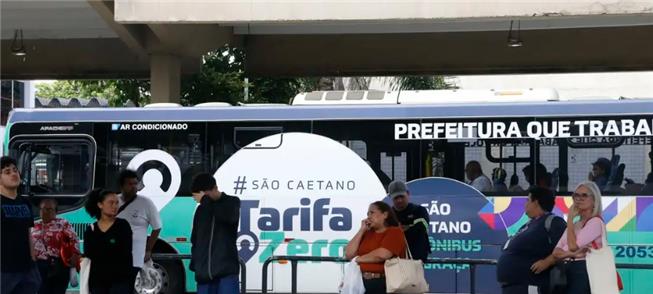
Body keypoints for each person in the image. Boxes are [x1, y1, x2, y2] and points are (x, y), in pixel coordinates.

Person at [497, 187, 566, 294]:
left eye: (528, 200)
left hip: (529, 285)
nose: (525, 204)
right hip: (513, 286)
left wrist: (547, 261)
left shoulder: (554, 222)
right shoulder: (529, 224)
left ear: (536, 202)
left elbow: (565, 246)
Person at [190, 173, 241, 294]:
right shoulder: (201, 210)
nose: (197, 200)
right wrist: (195, 263)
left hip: (226, 272)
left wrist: (206, 201)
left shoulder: (232, 202)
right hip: (204, 273)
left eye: (201, 195)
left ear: (214, 188)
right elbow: (195, 238)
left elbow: (229, 218)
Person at [553, 181, 605, 294]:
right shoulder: (575, 225)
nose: (579, 199)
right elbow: (555, 252)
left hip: (583, 271)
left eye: (584, 195)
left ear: (594, 200)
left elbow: (572, 246)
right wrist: (571, 254)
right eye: (576, 195)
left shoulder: (595, 222)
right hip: (566, 270)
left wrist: (570, 219)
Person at [345, 201, 407, 294]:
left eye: (372, 212)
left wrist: (358, 259)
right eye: (367, 214)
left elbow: (382, 254)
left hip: (384, 283)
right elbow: (349, 254)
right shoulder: (367, 233)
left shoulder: (395, 232)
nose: (368, 216)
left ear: (385, 215)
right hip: (361, 283)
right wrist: (361, 231)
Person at [116, 170, 162, 292]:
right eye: (130, 184)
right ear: (122, 186)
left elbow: (157, 227)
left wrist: (148, 249)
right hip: (115, 259)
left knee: (132, 288)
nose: (134, 187)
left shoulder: (146, 203)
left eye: (135, 184)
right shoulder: (113, 202)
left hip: (137, 258)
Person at [1, 156, 41, 294]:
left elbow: (28, 233)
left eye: (14, 170)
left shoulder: (25, 203)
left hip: (27, 269)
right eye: (7, 172)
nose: (13, 174)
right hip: (4, 270)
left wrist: (33, 261)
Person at [83, 188, 133, 294]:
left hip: (120, 281)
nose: (115, 206)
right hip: (97, 282)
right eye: (111, 203)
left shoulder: (123, 225)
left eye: (116, 203)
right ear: (100, 205)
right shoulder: (91, 229)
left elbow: (125, 252)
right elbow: (89, 254)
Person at [32, 198, 80, 294]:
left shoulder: (63, 224)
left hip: (58, 266)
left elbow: (74, 241)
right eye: (44, 209)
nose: (46, 212)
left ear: (56, 211)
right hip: (39, 267)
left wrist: (74, 257)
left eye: (50, 209)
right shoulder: (34, 226)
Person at [388, 180, 431, 262]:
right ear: (390, 197)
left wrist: (401, 229)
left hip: (416, 258)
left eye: (401, 196)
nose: (399, 200)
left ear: (408, 194)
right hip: (394, 259)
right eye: (396, 198)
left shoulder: (419, 210)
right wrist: (409, 227)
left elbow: (423, 226)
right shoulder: (388, 215)